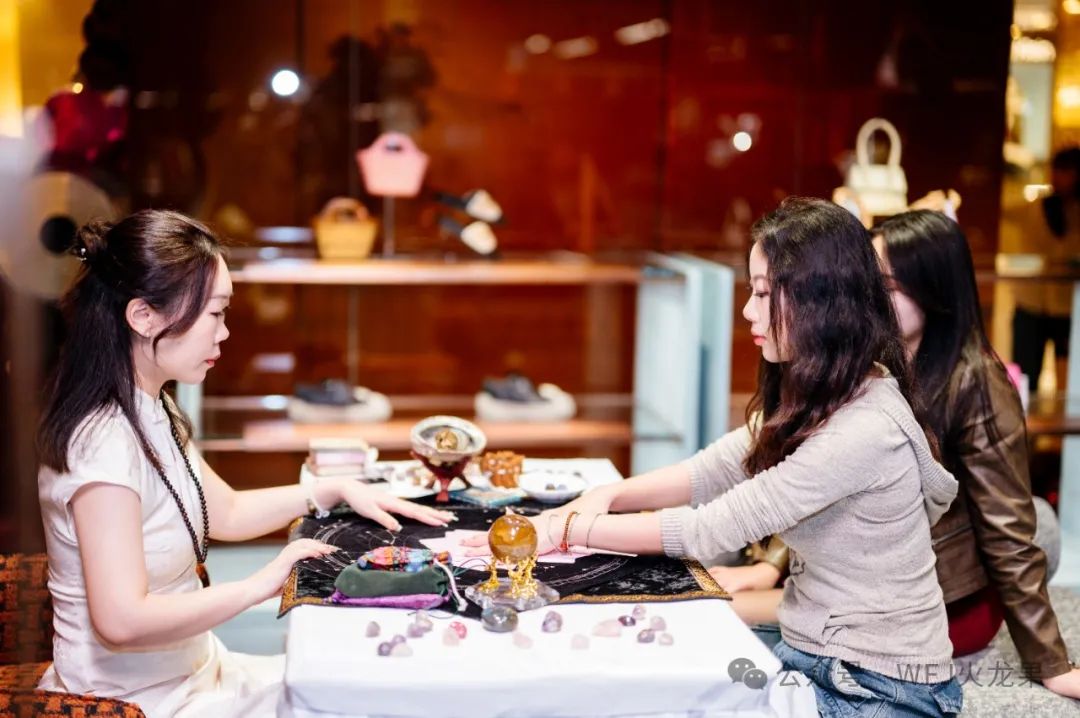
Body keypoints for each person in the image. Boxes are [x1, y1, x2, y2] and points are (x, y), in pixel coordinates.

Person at [468, 197, 963, 716]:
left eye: (763, 293)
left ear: (820, 301)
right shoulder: (827, 389)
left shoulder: (865, 428)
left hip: (876, 686)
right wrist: (609, 495)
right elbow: (714, 468)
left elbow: (711, 529)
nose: (748, 310)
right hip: (814, 651)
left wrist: (568, 528)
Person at [36, 210, 454, 717]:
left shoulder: (153, 406)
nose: (225, 333)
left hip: (199, 672)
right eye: (215, 313)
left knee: (360, 685)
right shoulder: (102, 443)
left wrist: (331, 490)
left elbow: (227, 512)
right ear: (143, 316)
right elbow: (121, 621)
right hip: (137, 704)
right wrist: (261, 584)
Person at [716, 209, 1080, 699]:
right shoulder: (871, 361)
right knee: (721, 561)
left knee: (720, 603)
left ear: (934, 292)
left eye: (884, 286)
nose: (866, 296)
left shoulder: (976, 382)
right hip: (857, 572)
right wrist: (771, 564)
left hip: (932, 598)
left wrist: (1051, 664)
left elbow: (1008, 532)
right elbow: (814, 480)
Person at [1011, 146, 1080, 392]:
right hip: (1032, 301)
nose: (1059, 176)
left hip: (1067, 305)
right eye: (1058, 170)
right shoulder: (1037, 207)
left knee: (1070, 378)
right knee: (1026, 377)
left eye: (1067, 171)